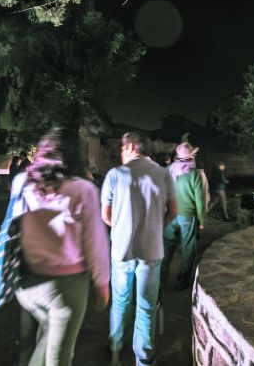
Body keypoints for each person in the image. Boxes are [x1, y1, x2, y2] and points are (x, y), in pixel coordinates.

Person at [11, 128, 110, 366]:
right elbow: (95, 242)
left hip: (26, 282)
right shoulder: (83, 189)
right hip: (65, 286)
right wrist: (102, 282)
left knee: (48, 331)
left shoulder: (21, 182)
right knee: (60, 356)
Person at [101, 131, 177, 366]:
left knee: (120, 301)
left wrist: (121, 227)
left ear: (131, 147)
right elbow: (173, 211)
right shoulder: (163, 174)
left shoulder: (115, 175)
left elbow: (106, 215)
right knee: (146, 306)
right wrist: (156, 227)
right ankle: (143, 358)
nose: (121, 153)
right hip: (151, 249)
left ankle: (115, 345)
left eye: (122, 148)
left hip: (122, 250)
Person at [162, 142, 206, 291]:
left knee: (167, 246)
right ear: (190, 157)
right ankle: (182, 280)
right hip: (187, 215)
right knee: (188, 248)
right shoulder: (194, 174)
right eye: (193, 154)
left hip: (170, 214)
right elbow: (199, 199)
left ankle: (161, 277)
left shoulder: (169, 170)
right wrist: (201, 219)